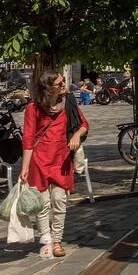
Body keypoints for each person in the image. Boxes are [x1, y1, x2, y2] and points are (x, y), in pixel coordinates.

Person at [21, 74, 88, 259]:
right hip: (39, 161)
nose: (64, 85)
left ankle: (57, 241)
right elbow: (28, 140)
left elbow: (83, 125)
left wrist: (76, 135)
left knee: (59, 202)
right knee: (42, 205)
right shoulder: (33, 108)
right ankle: (47, 241)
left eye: (63, 82)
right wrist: (25, 168)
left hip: (61, 160)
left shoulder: (68, 103)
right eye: (60, 84)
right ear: (48, 88)